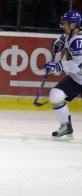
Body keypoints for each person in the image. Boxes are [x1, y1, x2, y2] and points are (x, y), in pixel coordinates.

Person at [44, 10, 82, 139]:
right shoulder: (69, 35)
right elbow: (59, 41)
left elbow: (78, 65)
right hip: (76, 79)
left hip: (78, 74)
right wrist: (57, 44)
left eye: (65, 24)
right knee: (56, 95)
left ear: (73, 25)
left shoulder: (78, 41)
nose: (62, 26)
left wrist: (57, 66)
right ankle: (66, 126)